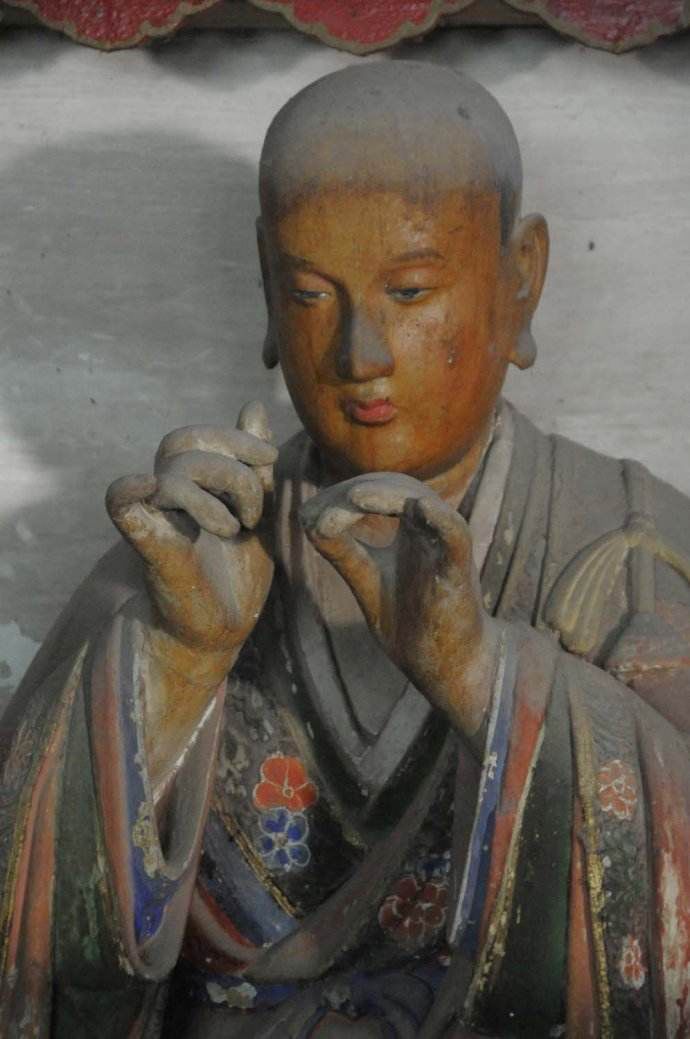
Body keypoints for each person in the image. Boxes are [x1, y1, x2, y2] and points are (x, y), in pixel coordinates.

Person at [1, 62, 688, 1039]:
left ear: (521, 277)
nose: (360, 353)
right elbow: (23, 933)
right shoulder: (186, 557)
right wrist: (175, 662)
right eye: (312, 293)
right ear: (265, 282)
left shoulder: (626, 549)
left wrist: (486, 678)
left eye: (410, 290)